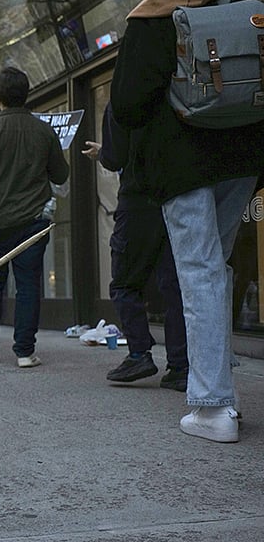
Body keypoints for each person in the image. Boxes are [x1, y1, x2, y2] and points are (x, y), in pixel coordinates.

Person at [111, 0, 264, 442]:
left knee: (198, 272)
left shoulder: (151, 14)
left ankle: (212, 406)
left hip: (181, 165)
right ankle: (224, 393)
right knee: (213, 269)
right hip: (241, 159)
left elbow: (129, 105)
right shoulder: (245, 5)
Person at [0, 66, 69, 367]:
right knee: (28, 284)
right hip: (33, 221)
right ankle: (24, 351)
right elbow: (61, 173)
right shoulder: (43, 130)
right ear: (27, 93)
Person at [82, 105, 188, 390]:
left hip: (139, 196)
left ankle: (139, 352)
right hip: (179, 194)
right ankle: (181, 365)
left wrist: (104, 153)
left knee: (124, 283)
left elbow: (117, 156)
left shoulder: (123, 97)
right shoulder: (176, 94)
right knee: (174, 284)